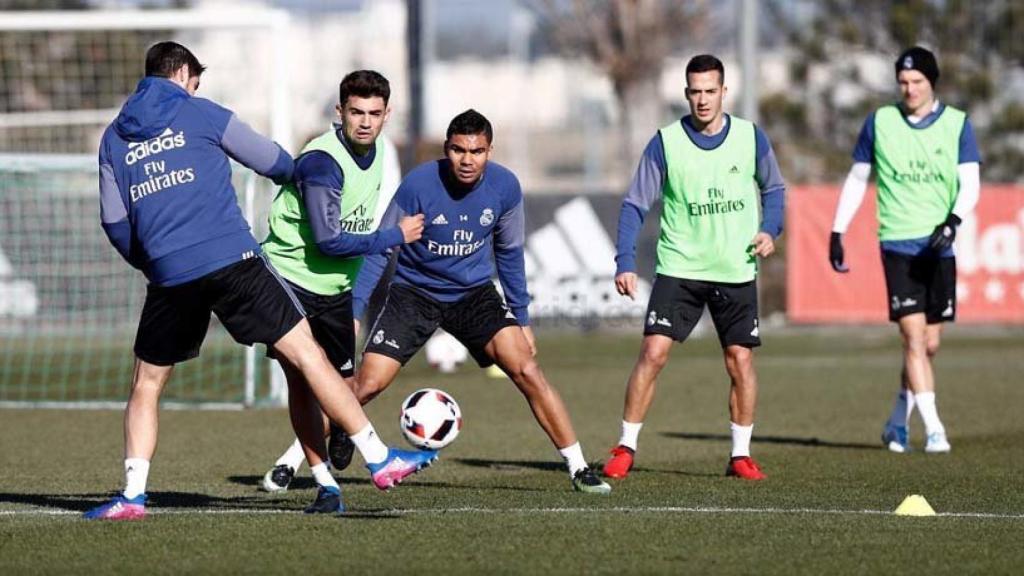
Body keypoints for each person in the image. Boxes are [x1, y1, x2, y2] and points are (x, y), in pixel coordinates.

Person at [86, 43, 434, 520]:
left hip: (169, 273)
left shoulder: (112, 138)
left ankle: (132, 495)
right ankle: (378, 456)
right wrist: (298, 176)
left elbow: (114, 222)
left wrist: (152, 262)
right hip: (232, 260)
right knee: (308, 355)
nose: (194, 88)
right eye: (194, 81)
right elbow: (270, 160)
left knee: (146, 384)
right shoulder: (202, 112)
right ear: (184, 74)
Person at [333, 109, 611, 494]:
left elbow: (510, 253)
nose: (467, 160)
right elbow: (381, 250)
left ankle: (579, 467)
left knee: (528, 369)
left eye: (477, 151)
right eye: (459, 150)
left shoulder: (505, 188)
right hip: (414, 293)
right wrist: (355, 309)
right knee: (366, 384)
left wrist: (522, 317)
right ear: (447, 149)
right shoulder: (418, 185)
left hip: (472, 295)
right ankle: (300, 459)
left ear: (489, 151)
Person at [602, 54, 786, 481]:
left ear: (724, 92)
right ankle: (625, 446)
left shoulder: (750, 137)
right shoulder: (665, 142)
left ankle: (740, 455)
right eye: (694, 91)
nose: (702, 100)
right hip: (680, 266)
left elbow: (774, 188)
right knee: (653, 353)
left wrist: (770, 229)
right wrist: (625, 260)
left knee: (740, 360)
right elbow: (634, 205)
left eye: (710, 91)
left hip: (735, 268)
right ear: (686, 94)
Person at [257, 71, 424, 514]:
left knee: (344, 383)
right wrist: (394, 237)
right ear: (340, 112)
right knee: (303, 379)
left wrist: (353, 297)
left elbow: (346, 239)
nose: (365, 122)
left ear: (388, 114)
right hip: (289, 279)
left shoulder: (381, 151)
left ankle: (346, 438)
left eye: (374, 113)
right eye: (356, 112)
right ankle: (325, 483)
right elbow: (330, 241)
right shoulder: (321, 162)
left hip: (333, 286)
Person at [829, 46, 981, 454]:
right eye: (903, 82)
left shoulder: (957, 125)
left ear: (932, 83)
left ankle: (898, 421)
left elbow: (970, 183)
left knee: (928, 345)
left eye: (917, 82)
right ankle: (934, 430)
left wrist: (952, 222)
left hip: (939, 247)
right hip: (897, 242)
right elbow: (858, 178)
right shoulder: (879, 122)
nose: (909, 89)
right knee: (912, 337)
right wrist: (837, 229)